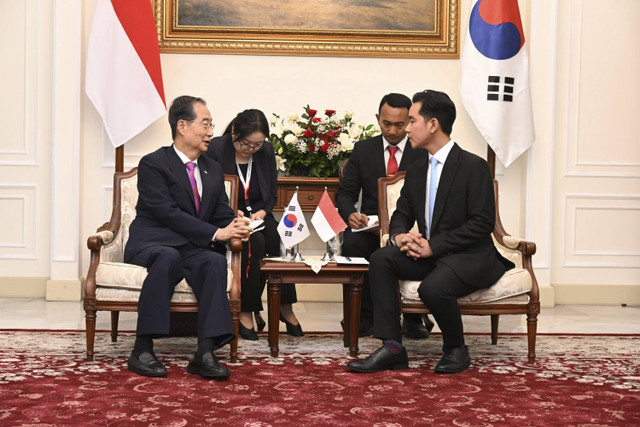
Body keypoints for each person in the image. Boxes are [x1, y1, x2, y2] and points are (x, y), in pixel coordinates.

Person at [347, 90, 515, 375]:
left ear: (433, 124)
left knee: (432, 287)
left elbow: (482, 223)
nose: (407, 128)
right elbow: (401, 214)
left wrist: (432, 247)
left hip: (470, 255)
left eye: (412, 121)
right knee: (381, 258)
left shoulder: (473, 166)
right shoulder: (417, 167)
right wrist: (400, 236)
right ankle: (393, 347)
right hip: (435, 255)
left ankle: (456, 349)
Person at [124, 95, 252, 379]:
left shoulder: (212, 168)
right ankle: (142, 348)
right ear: (182, 126)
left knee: (212, 261)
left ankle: (204, 353)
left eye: (211, 124)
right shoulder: (153, 163)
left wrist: (236, 222)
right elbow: (166, 213)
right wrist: (217, 233)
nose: (210, 131)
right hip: (153, 241)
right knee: (168, 256)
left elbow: (219, 211)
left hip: (191, 245)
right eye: (204, 124)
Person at [336, 93, 433, 338]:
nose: (392, 131)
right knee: (354, 243)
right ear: (378, 119)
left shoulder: (422, 150)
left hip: (412, 226)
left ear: (410, 122)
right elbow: (345, 194)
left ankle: (413, 317)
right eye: (386, 123)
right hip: (370, 226)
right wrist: (350, 215)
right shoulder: (363, 150)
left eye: (400, 125)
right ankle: (363, 316)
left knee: (414, 246)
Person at [208, 109, 303, 340]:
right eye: (246, 145)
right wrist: (232, 211)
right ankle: (246, 309)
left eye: (257, 146)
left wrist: (263, 211)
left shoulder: (266, 151)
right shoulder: (216, 149)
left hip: (258, 214)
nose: (252, 150)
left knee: (281, 241)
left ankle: (284, 306)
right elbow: (211, 190)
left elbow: (272, 190)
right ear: (234, 133)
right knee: (254, 243)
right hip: (229, 214)